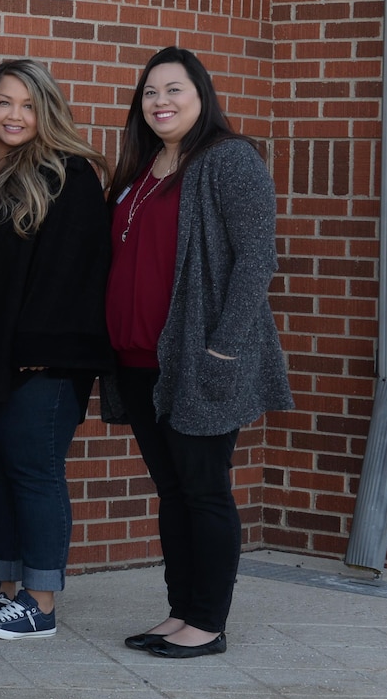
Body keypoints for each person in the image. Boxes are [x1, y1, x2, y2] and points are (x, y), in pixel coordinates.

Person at [107, 48, 289, 660]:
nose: (160, 101)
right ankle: (180, 610)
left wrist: (223, 350)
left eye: (174, 89)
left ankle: (207, 623)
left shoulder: (229, 160)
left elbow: (255, 260)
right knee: (172, 488)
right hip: (139, 360)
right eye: (150, 92)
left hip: (200, 359)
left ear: (201, 95)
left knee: (204, 488)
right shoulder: (142, 167)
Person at [0, 60, 115, 642]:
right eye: (4, 102)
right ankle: (0, 588)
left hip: (41, 360)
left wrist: (42, 351)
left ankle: (40, 602)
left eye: (27, 104)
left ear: (46, 111)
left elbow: (74, 273)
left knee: (33, 472)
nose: (14, 115)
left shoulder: (67, 174)